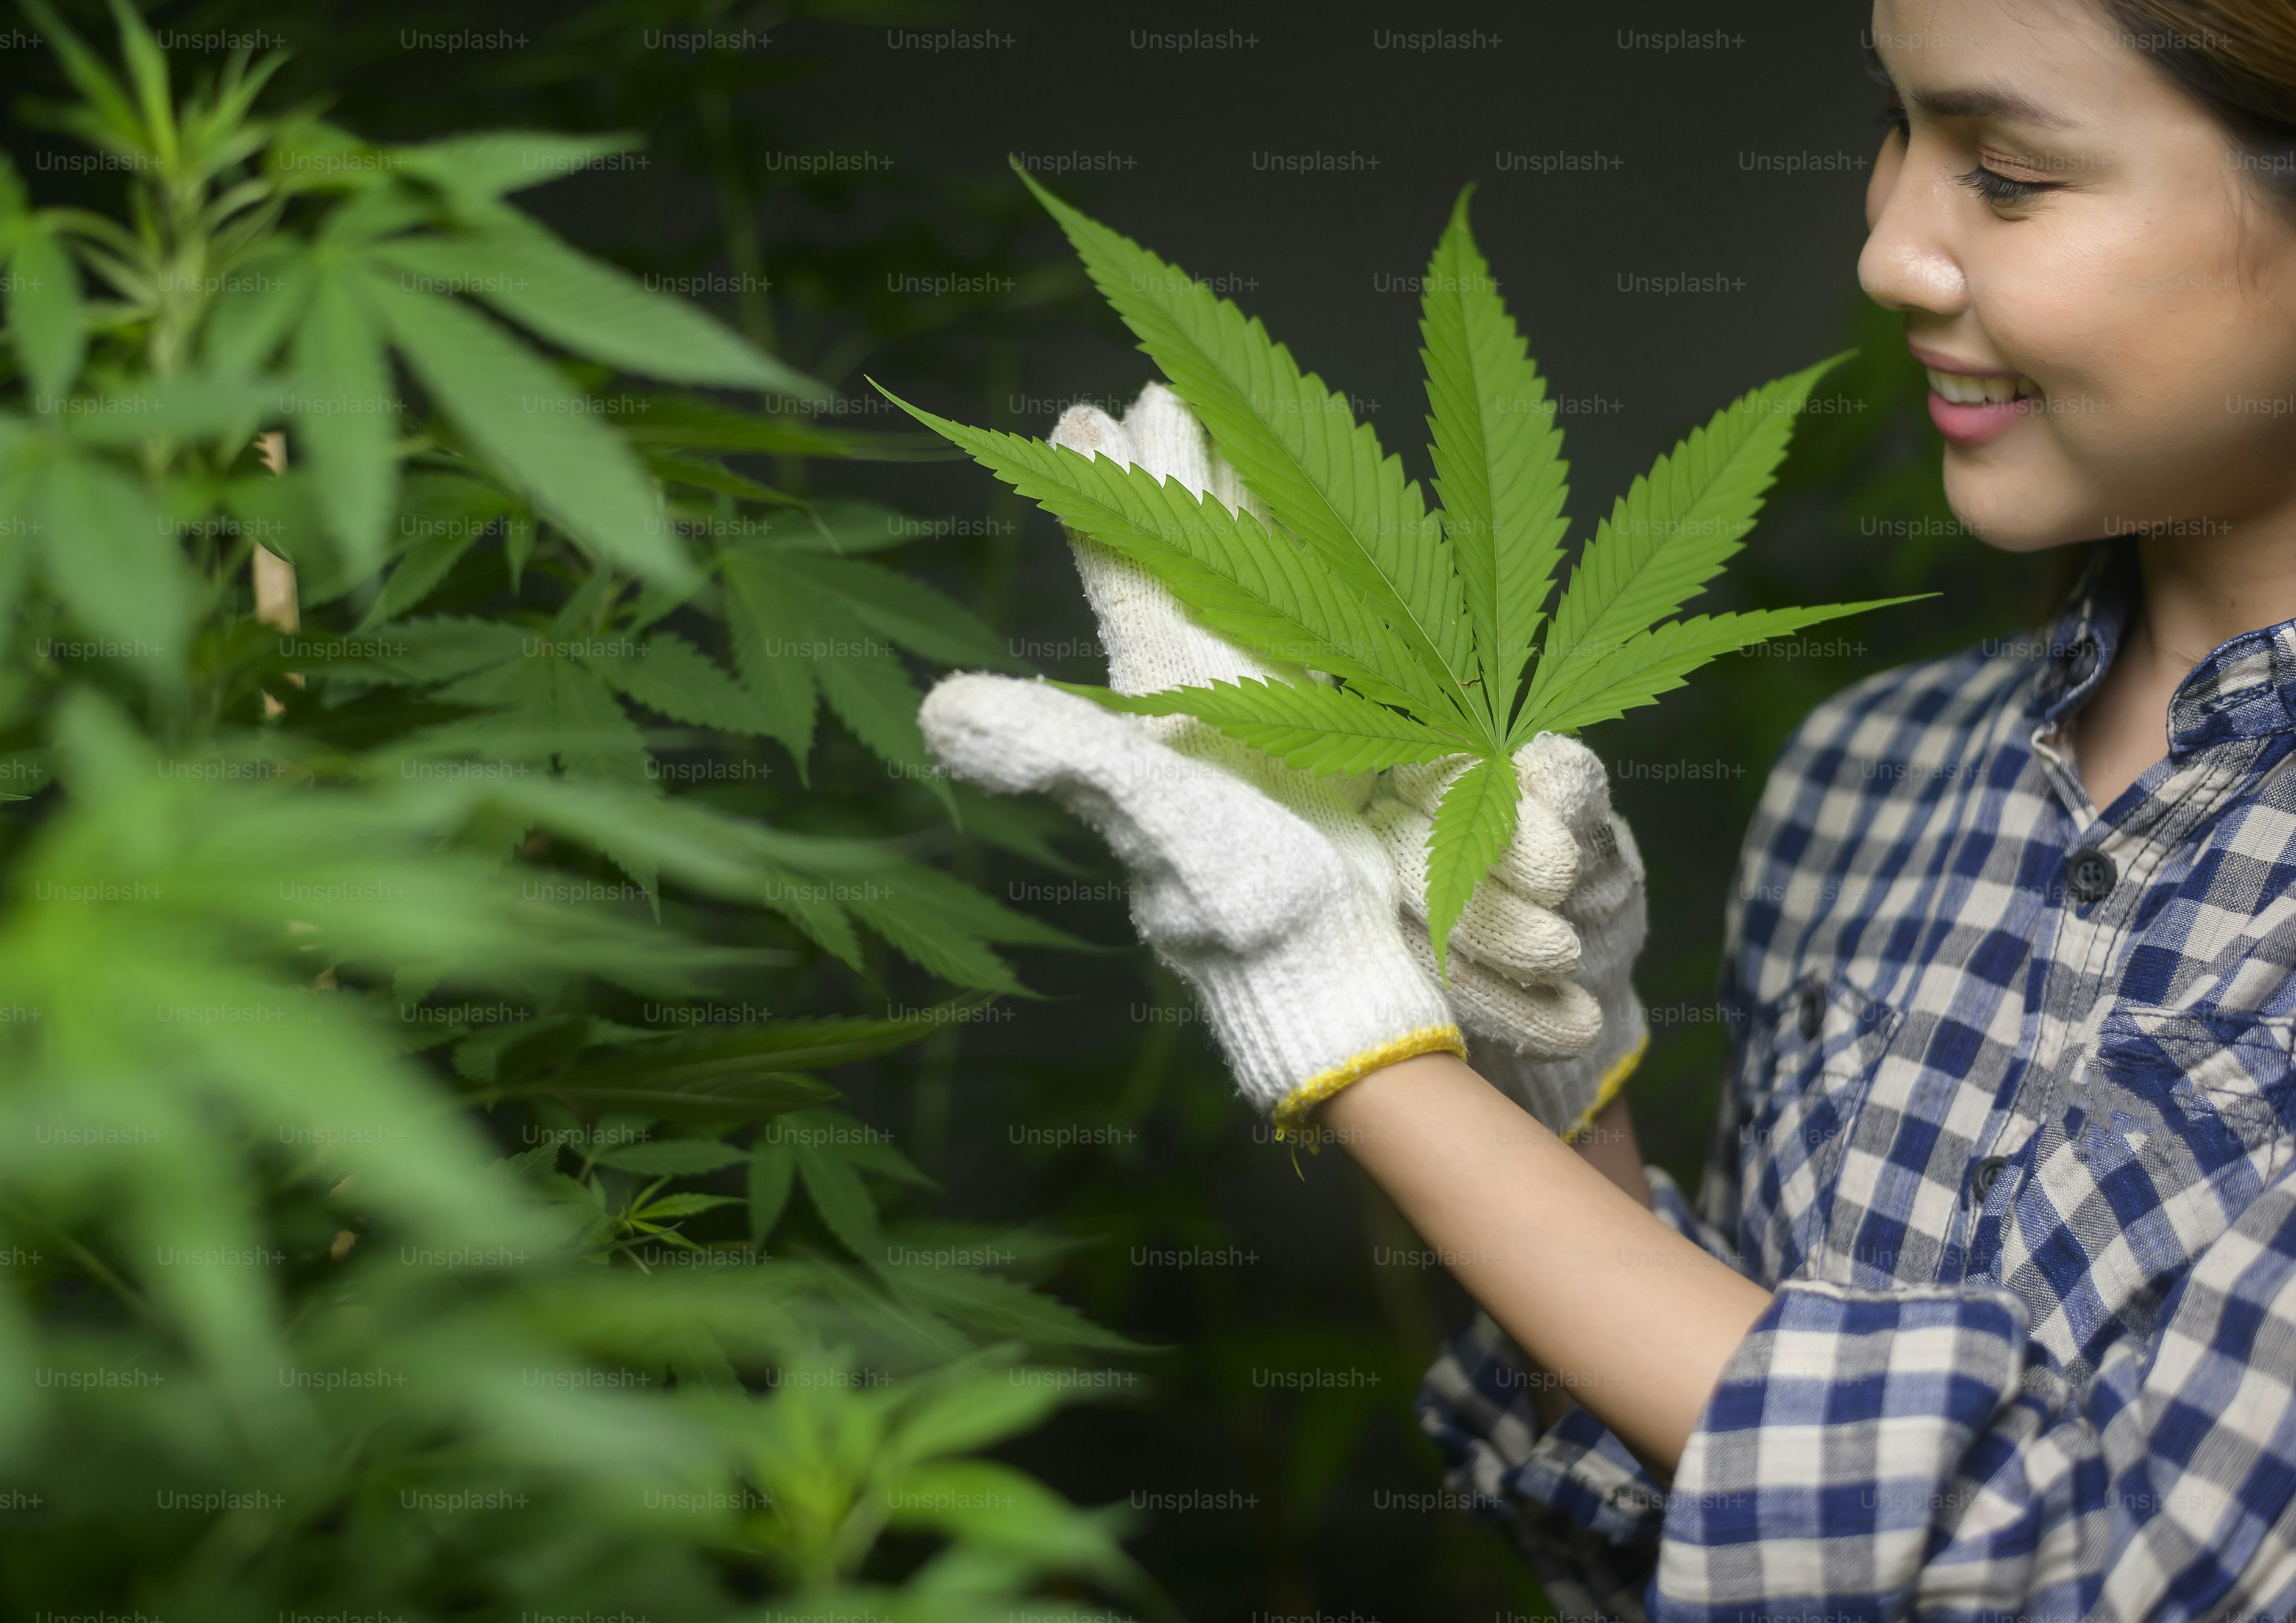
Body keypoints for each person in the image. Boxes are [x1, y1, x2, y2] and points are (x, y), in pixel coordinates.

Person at [918, 1, 2296, 1617]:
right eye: (1895, 131)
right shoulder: (1875, 774)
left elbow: (2080, 1576)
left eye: (2002, 173)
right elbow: (1663, 1547)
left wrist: (1341, 1025)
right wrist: (1547, 1078)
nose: (1890, 249)